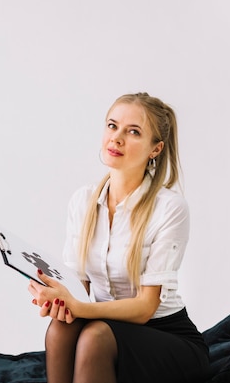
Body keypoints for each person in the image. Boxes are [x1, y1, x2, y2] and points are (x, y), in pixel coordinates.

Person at [28, 93, 210, 383]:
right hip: (103, 325)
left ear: (156, 149)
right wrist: (58, 298)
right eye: (112, 126)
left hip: (166, 334)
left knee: (94, 336)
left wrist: (80, 308)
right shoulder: (83, 201)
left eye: (133, 132)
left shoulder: (169, 208)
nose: (117, 138)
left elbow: (145, 307)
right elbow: (78, 287)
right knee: (61, 327)